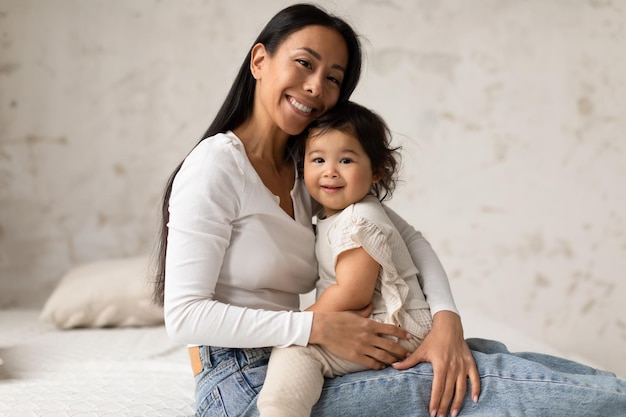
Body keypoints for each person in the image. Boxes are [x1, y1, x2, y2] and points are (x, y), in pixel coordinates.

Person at [153, 3, 626, 417]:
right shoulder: (217, 166)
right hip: (245, 388)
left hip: (302, 354)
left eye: (333, 78)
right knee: (490, 382)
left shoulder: (310, 174)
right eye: (304, 63)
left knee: (480, 353)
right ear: (260, 60)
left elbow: (411, 240)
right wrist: (316, 326)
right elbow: (185, 316)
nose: (316, 87)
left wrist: (446, 320)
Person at [257, 101, 438, 417]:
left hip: (393, 324)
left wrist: (303, 321)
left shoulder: (359, 221)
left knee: (298, 349)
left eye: (345, 160)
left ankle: (281, 411)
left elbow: (353, 292)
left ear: (376, 172)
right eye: (318, 159)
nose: (330, 171)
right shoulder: (337, 215)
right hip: (389, 320)